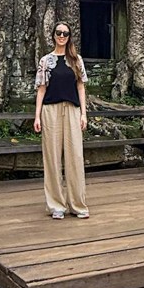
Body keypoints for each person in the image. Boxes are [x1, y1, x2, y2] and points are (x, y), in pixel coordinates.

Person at [34, 22, 90, 219]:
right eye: (58, 32)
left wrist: (84, 114)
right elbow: (41, 88)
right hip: (51, 110)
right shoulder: (45, 61)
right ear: (53, 35)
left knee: (75, 155)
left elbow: (81, 88)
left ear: (69, 36)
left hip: (73, 110)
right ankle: (56, 204)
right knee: (52, 156)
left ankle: (78, 204)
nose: (62, 36)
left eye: (65, 33)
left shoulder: (76, 60)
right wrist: (37, 115)